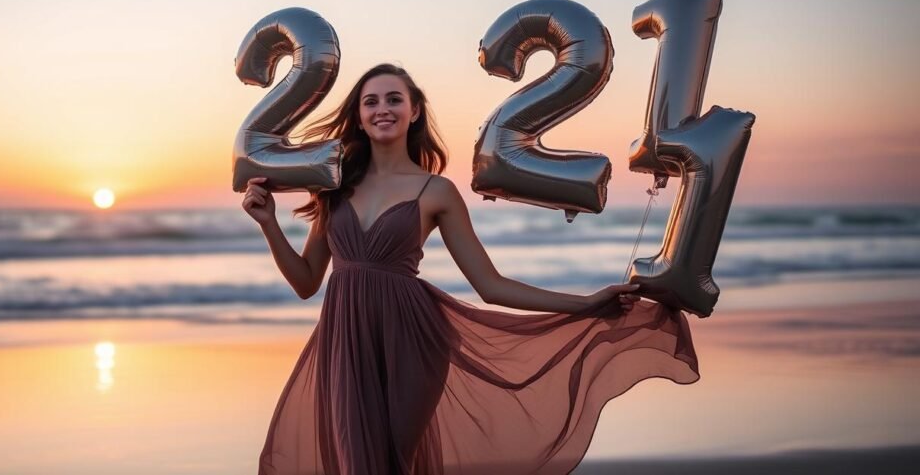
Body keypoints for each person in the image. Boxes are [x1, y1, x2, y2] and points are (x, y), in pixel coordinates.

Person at [243, 63, 699, 475]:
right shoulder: (334, 187)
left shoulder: (436, 192)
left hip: (414, 344)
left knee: (392, 465)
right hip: (345, 344)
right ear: (359, 116)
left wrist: (584, 304)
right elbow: (306, 282)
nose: (383, 109)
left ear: (415, 111)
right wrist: (268, 224)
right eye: (371, 101)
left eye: (394, 99)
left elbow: (490, 285)